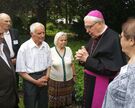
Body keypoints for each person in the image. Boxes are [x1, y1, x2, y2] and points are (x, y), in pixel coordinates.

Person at [75, 10, 126, 108]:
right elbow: (90, 56)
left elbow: (112, 69)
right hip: (90, 83)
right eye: (86, 27)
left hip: (102, 84)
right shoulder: (95, 35)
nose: (87, 31)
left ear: (99, 23)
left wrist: (87, 59)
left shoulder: (113, 38)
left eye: (89, 27)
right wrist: (82, 57)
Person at [16, 22, 52, 108]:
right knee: (30, 104)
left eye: (43, 32)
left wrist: (46, 77)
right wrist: (36, 82)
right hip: (30, 80)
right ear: (32, 34)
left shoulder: (46, 46)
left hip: (44, 78)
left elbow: (49, 65)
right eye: (39, 33)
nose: (42, 35)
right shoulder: (24, 48)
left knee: (43, 103)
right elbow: (20, 71)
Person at [102, 18, 135, 108]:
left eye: (121, 37)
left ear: (131, 41)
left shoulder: (133, 74)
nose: (119, 39)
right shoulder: (130, 64)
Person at [48, 32, 76, 107]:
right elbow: (48, 66)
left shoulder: (69, 49)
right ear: (56, 40)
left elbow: (72, 63)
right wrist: (47, 77)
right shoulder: (51, 51)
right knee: (56, 103)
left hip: (68, 80)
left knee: (67, 100)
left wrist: (74, 75)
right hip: (55, 81)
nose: (64, 42)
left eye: (65, 40)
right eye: (61, 40)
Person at [0, 21, 19, 108]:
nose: (2, 37)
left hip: (12, 96)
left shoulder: (4, 48)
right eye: (0, 34)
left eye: (2, 34)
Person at [0, 13, 20, 88]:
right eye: (6, 21)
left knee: (15, 82)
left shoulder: (15, 32)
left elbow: (19, 47)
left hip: (15, 63)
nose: (9, 23)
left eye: (9, 21)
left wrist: (18, 59)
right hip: (3, 65)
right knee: (5, 84)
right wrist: (9, 61)